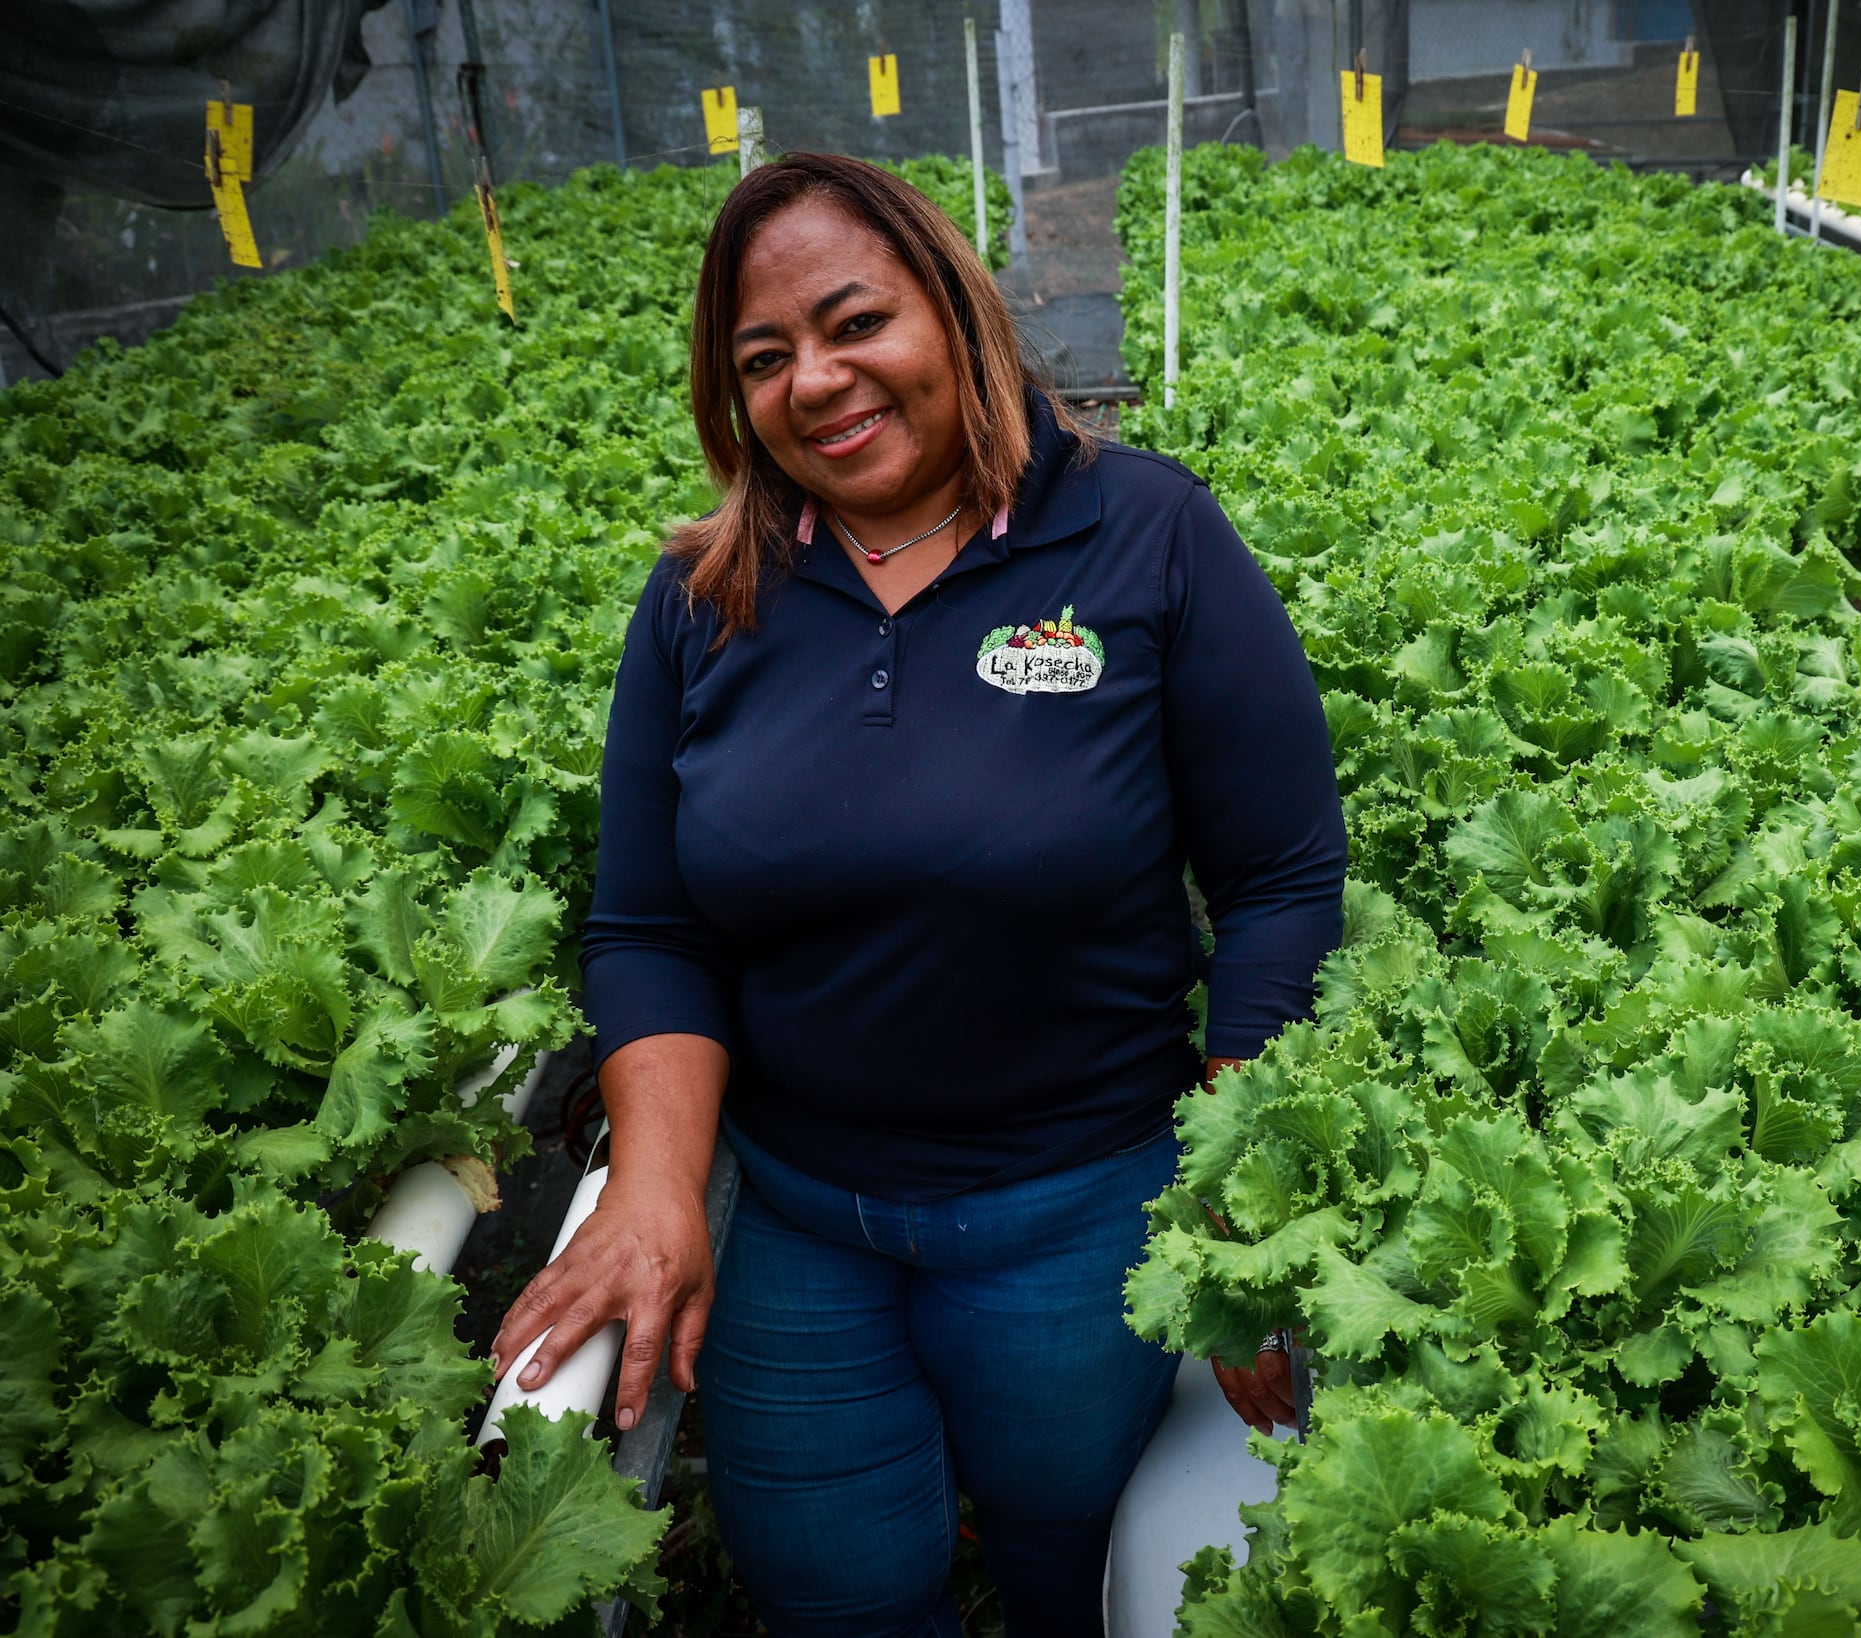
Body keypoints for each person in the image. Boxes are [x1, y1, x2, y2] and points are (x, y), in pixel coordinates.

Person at [489, 152, 1346, 1637]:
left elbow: (1278, 873)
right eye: (765, 358)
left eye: (852, 322)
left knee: (1066, 1559)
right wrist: (648, 1183)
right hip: (797, 1223)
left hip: (1083, 1214)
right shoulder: (701, 598)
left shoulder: (1144, 535)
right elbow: (650, 927)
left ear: (955, 316)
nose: (815, 380)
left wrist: (1239, 1176)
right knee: (836, 1587)